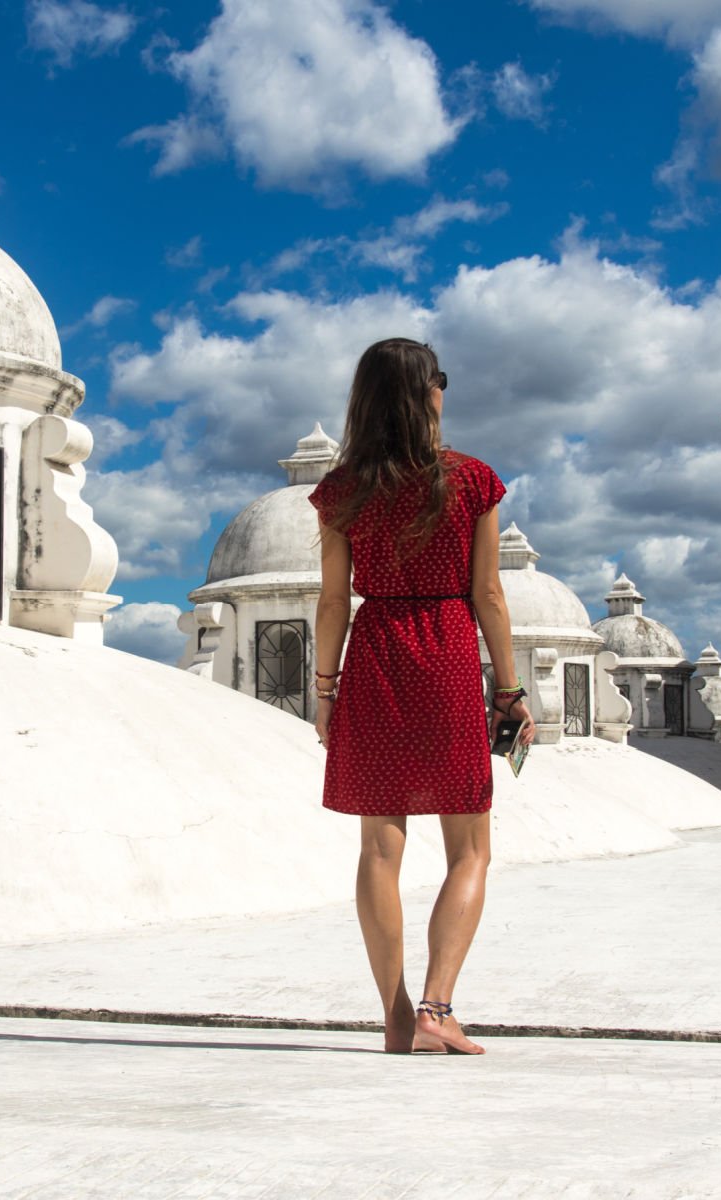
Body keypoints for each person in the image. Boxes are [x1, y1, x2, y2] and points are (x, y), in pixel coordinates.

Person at [309, 337, 534, 1056]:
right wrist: (508, 688)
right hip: (442, 651)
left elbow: (332, 600)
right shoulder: (473, 482)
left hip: (374, 652)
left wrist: (324, 689)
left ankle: (398, 1016)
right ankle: (440, 1007)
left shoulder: (343, 491)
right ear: (430, 392)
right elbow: (489, 594)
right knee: (469, 847)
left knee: (380, 847)